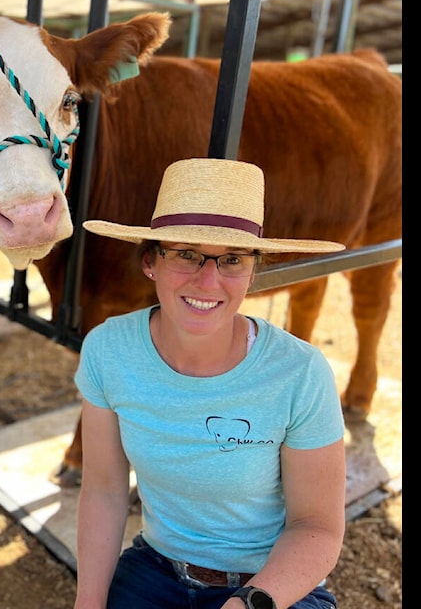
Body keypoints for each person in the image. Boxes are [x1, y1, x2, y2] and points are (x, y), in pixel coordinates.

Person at [73, 158, 348, 609]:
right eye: (185, 254)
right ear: (150, 261)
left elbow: (316, 526)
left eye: (232, 260)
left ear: (253, 271)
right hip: (154, 570)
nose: (208, 279)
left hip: (269, 584)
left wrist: (246, 603)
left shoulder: (299, 371)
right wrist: (88, 602)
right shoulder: (108, 350)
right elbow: (103, 489)